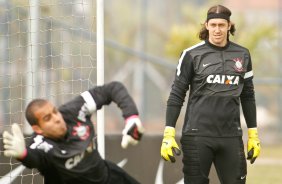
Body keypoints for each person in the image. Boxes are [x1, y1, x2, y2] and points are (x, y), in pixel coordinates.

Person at [160, 4, 261, 184]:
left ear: (229, 26)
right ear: (206, 26)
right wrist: (169, 132)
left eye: (221, 25)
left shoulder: (243, 54)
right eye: (213, 25)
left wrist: (253, 134)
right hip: (197, 137)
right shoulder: (191, 55)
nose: (217, 30)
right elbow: (177, 94)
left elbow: (248, 95)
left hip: (231, 137)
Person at [3, 81, 144, 184]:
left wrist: (131, 117)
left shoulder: (74, 111)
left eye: (55, 111)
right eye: (48, 118)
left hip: (107, 178)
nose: (57, 119)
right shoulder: (40, 144)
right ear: (38, 129)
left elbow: (112, 89)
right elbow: (34, 158)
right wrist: (23, 154)